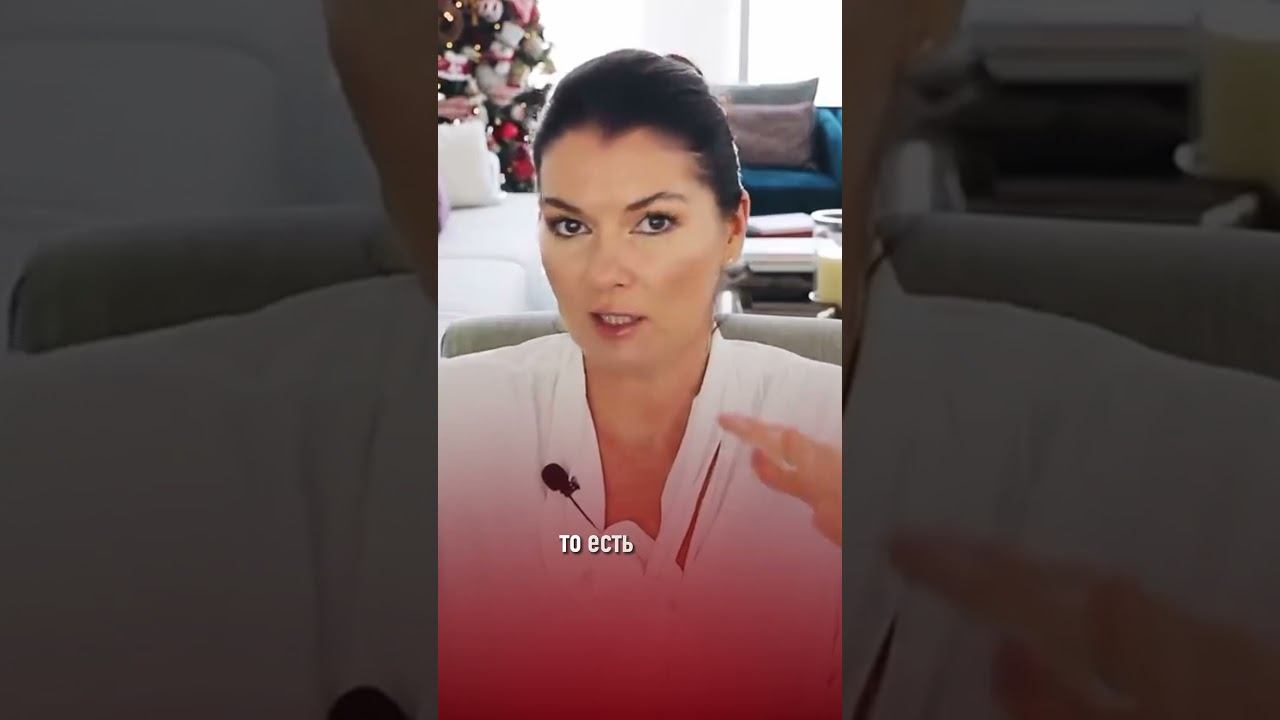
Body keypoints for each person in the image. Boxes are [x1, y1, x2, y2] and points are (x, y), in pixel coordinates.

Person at [433, 49, 842, 719]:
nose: (606, 272)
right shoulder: (450, 423)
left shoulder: (837, 430)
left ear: (733, 227)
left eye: (654, 223)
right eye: (570, 225)